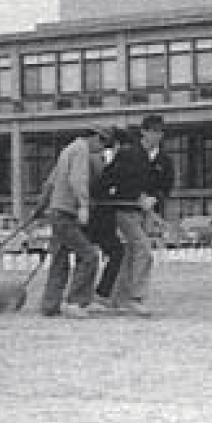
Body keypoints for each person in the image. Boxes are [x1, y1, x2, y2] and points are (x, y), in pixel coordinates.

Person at [38, 124, 113, 319]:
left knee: (60, 260)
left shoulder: (68, 150)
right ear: (94, 137)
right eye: (103, 142)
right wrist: (84, 206)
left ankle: (50, 305)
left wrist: (41, 205)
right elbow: (78, 180)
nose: (102, 148)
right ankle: (76, 302)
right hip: (66, 213)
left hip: (56, 210)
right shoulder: (81, 150)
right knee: (89, 256)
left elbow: (51, 181)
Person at [97, 115, 162, 317]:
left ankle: (119, 298)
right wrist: (135, 196)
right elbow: (110, 179)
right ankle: (135, 297)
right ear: (144, 132)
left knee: (130, 253)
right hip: (123, 210)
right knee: (144, 250)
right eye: (154, 131)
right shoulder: (130, 154)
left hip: (137, 211)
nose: (158, 135)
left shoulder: (150, 157)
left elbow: (155, 184)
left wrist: (152, 198)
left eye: (160, 131)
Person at [86, 125, 130, 310]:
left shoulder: (105, 159)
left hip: (101, 214)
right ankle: (98, 294)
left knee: (106, 253)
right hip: (98, 215)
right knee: (112, 253)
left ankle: (97, 294)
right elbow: (98, 185)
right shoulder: (101, 160)